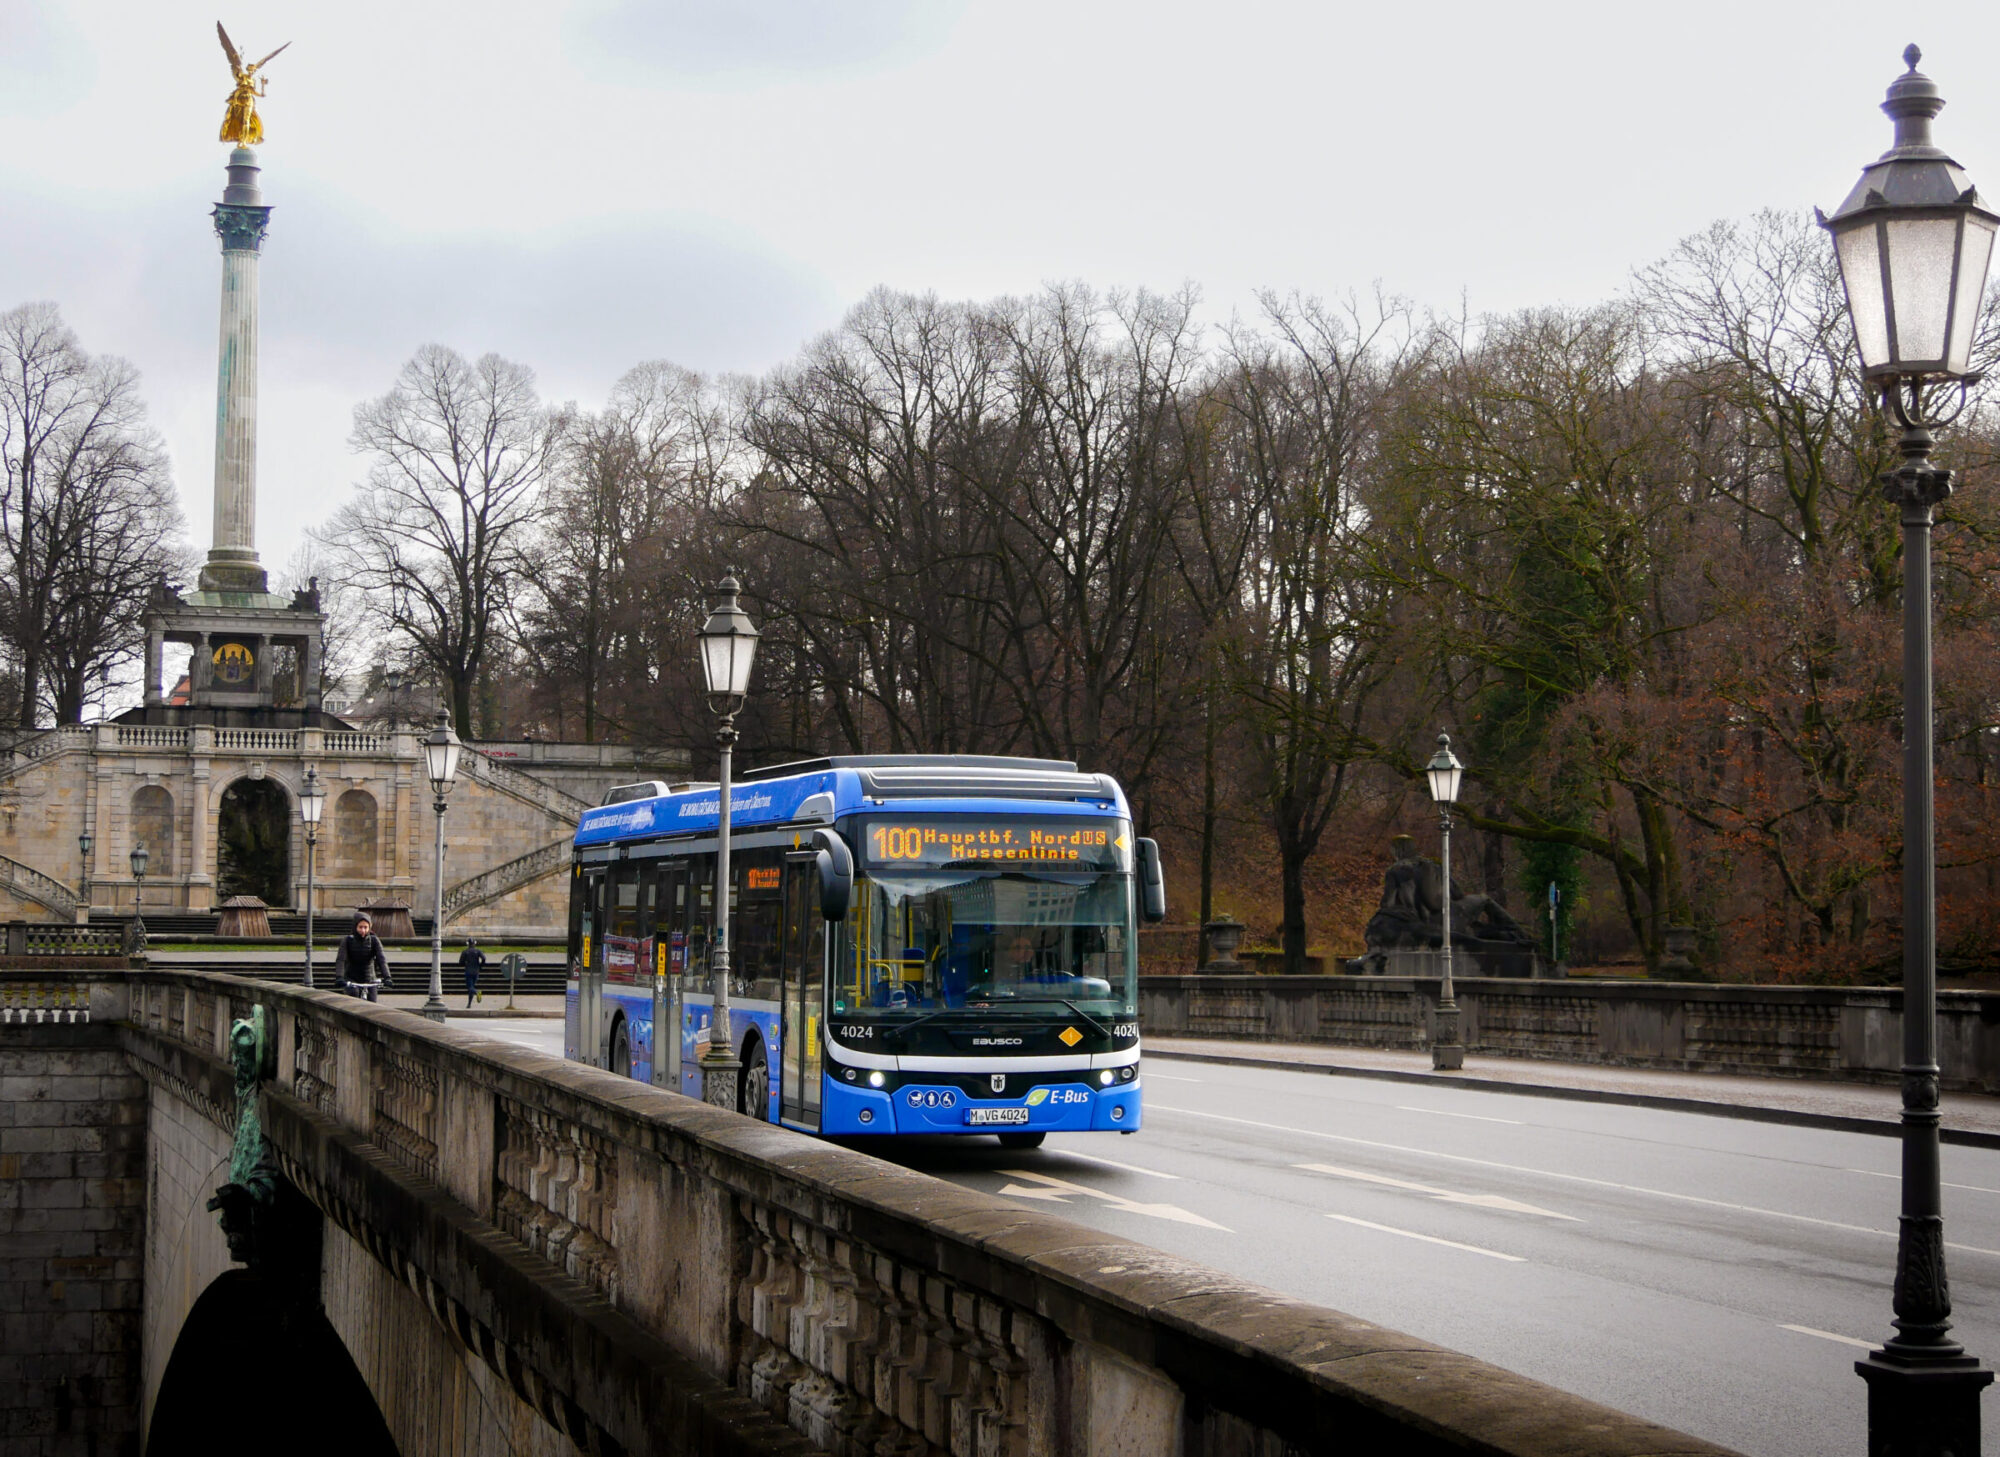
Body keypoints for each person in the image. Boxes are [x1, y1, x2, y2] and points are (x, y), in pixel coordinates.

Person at [333, 915, 390, 1001]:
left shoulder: (374, 940)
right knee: (353, 996)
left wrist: (387, 977)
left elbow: (381, 959)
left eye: (365, 927)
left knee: (373, 1002)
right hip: (352, 978)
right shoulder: (347, 940)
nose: (363, 930)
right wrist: (339, 977)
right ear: (355, 926)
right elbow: (341, 960)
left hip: (369, 978)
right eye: (360, 927)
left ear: (369, 927)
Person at [459, 938, 488, 1008]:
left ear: (467, 944)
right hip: (476, 971)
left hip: (468, 971)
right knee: (472, 987)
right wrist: (481, 966)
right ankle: (469, 1004)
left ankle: (477, 992)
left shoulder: (465, 952)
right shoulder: (478, 951)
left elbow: (460, 962)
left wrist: (465, 964)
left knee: (470, 988)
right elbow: (484, 958)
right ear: (475, 943)